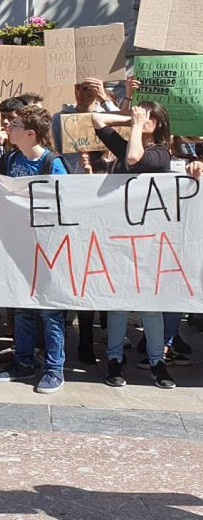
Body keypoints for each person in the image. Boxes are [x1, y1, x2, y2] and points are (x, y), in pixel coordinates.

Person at [92, 102, 177, 390]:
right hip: (119, 237)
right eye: (139, 115)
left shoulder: (161, 153)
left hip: (150, 240)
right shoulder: (129, 145)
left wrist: (137, 127)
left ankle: (157, 362)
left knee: (149, 306)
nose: (140, 118)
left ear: (159, 123)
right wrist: (129, 120)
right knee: (117, 303)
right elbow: (96, 119)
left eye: (147, 116)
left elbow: (136, 158)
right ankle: (114, 359)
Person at [0, 105, 69, 394]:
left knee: (50, 311)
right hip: (19, 245)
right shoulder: (10, 159)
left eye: (15, 124)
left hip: (48, 248)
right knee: (22, 308)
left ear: (30, 133)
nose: (9, 127)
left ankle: (53, 368)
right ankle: (23, 362)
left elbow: (64, 204)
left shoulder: (53, 164)